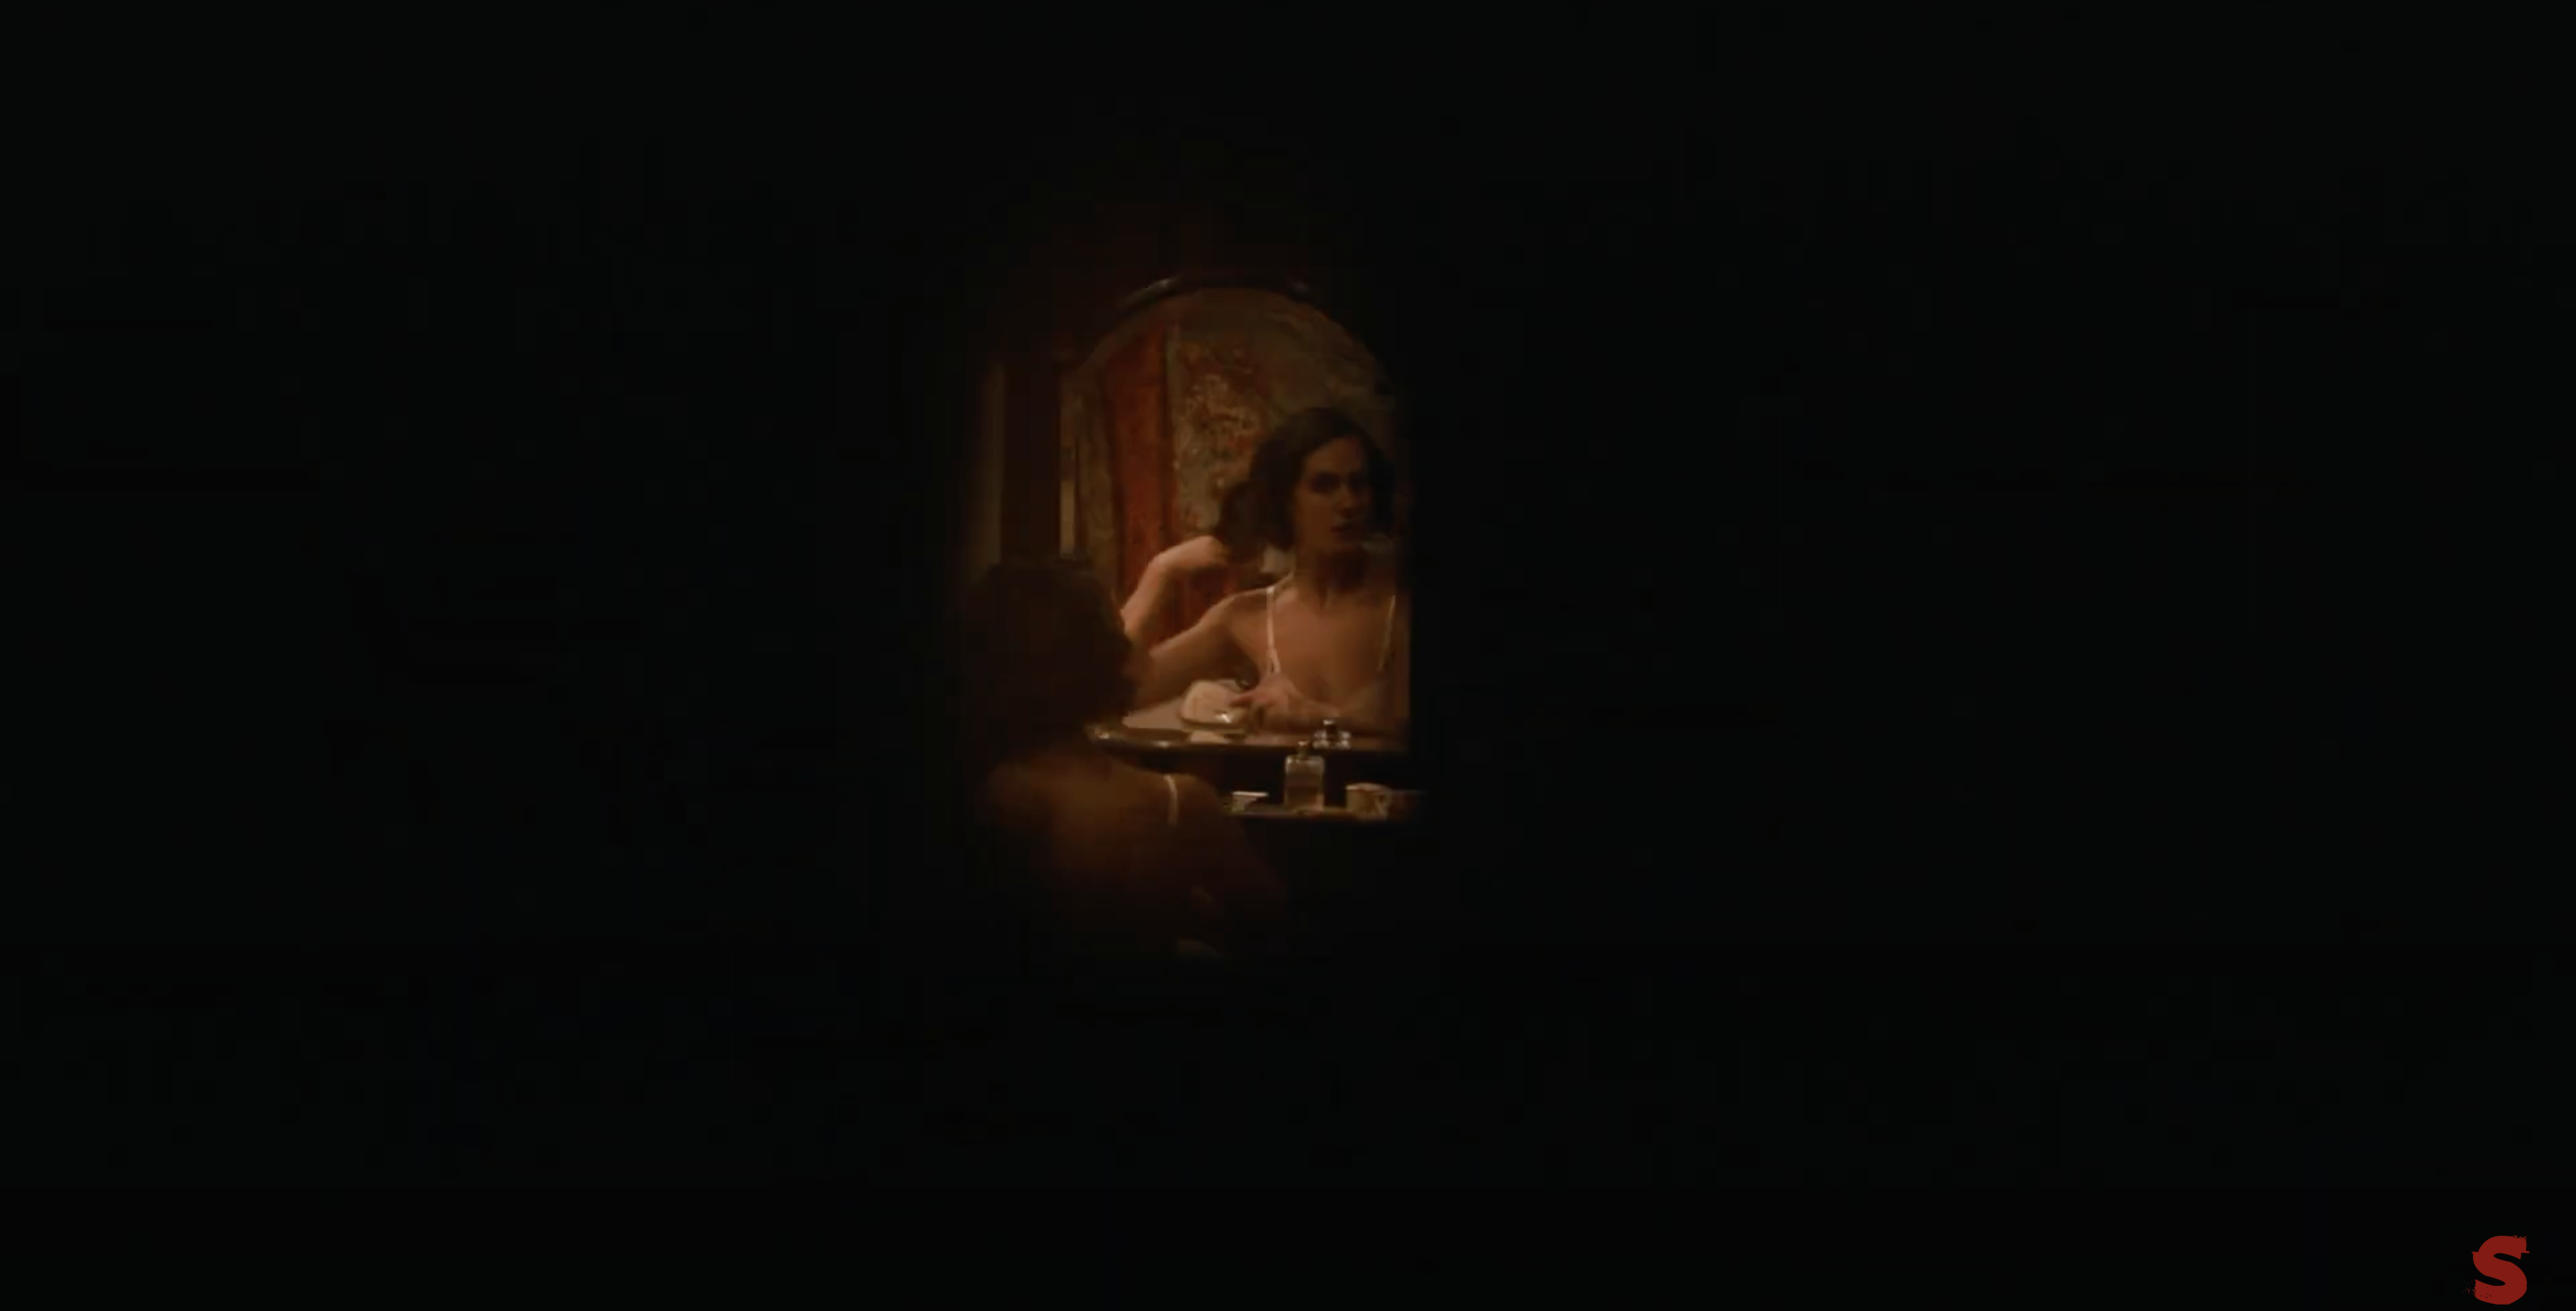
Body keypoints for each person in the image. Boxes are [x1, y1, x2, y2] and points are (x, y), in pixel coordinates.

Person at [954, 558, 1288, 960]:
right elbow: (1277, 934)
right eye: (1118, 626)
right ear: (1106, 655)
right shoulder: (1178, 804)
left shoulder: (986, 793)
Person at [1123, 408, 1410, 739]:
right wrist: (1160, 573)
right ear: (1285, 500)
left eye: (1358, 484)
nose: (1349, 503)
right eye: (1324, 486)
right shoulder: (1250, 616)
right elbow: (1119, 691)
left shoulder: (1399, 601)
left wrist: (1323, 717)